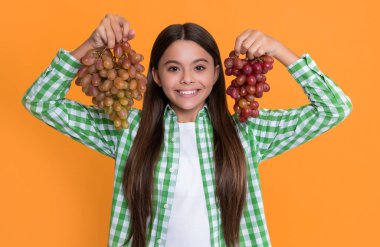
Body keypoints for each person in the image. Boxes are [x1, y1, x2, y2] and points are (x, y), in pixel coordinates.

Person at [21, 13, 353, 247]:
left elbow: (334, 108)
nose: (187, 80)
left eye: (199, 67)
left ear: (215, 75)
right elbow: (40, 102)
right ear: (155, 76)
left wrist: (279, 50)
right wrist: (91, 42)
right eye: (173, 68)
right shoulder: (128, 131)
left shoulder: (247, 133)